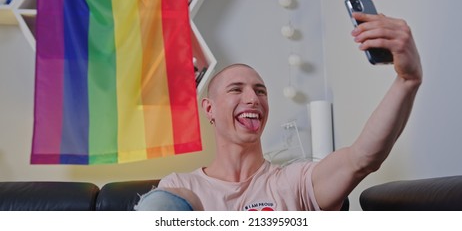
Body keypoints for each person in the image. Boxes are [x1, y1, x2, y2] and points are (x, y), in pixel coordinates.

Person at [135, 12, 422, 211]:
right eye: (236, 89)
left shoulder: (294, 183)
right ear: (208, 109)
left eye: (261, 91)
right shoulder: (181, 185)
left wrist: (407, 81)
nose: (253, 98)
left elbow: (362, 158)